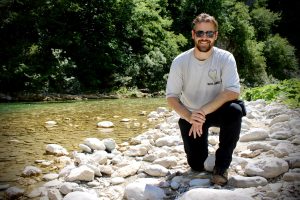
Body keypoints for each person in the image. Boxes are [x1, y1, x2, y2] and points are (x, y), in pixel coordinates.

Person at [166, 13, 246, 186]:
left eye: (209, 33)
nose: (204, 38)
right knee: (196, 165)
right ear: (193, 34)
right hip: (191, 115)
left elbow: (232, 92)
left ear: (215, 36)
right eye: (200, 33)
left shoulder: (225, 58)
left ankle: (221, 166)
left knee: (235, 110)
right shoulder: (180, 61)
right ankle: (204, 157)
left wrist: (203, 111)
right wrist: (189, 116)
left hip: (218, 110)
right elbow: (171, 97)